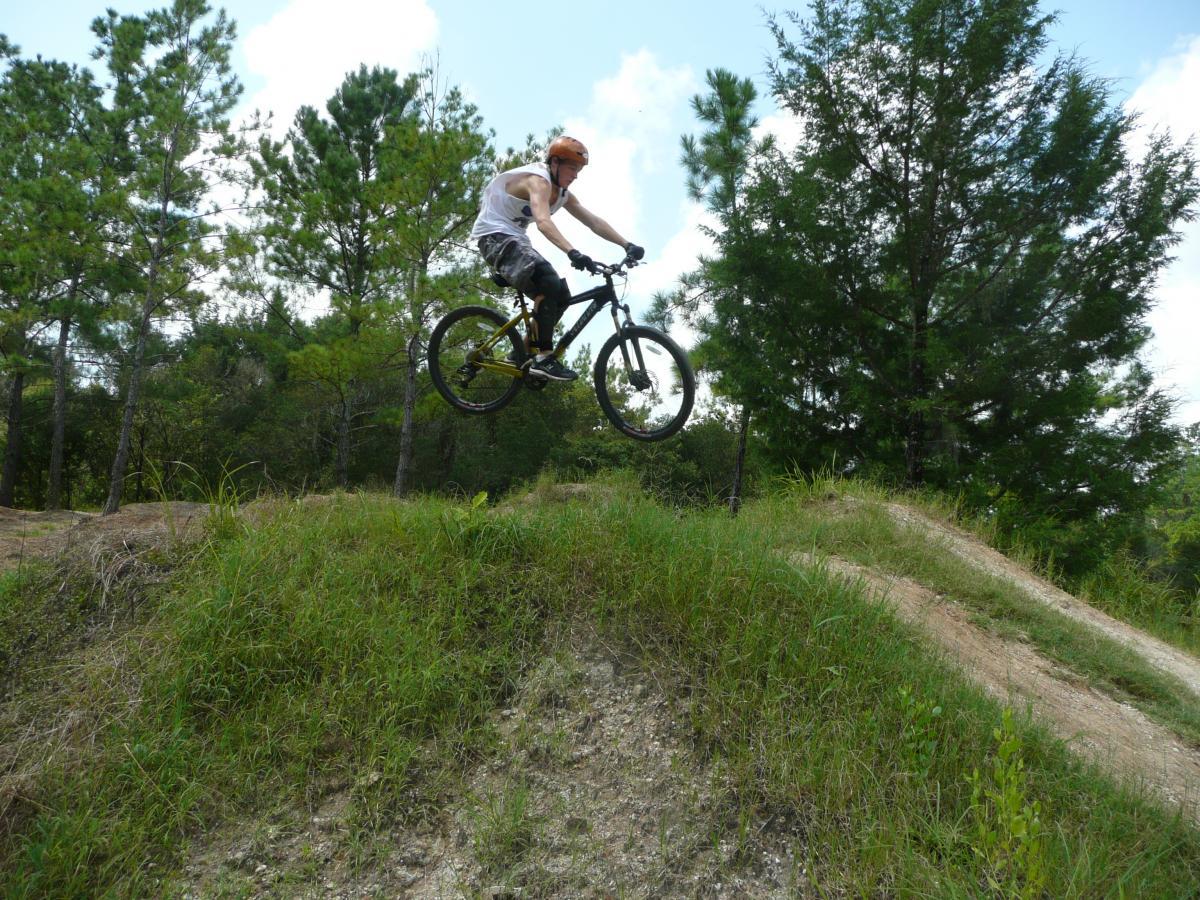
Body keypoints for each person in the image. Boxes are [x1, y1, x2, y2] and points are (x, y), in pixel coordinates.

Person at [470, 135, 644, 381]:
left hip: (514, 239)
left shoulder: (563, 194)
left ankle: (519, 353)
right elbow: (542, 221)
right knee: (548, 280)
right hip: (493, 236)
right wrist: (573, 252)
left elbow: (592, 221)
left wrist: (626, 244)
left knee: (561, 296)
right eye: (572, 168)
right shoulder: (538, 181)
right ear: (554, 162)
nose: (576, 175)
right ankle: (544, 357)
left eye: (579, 170)